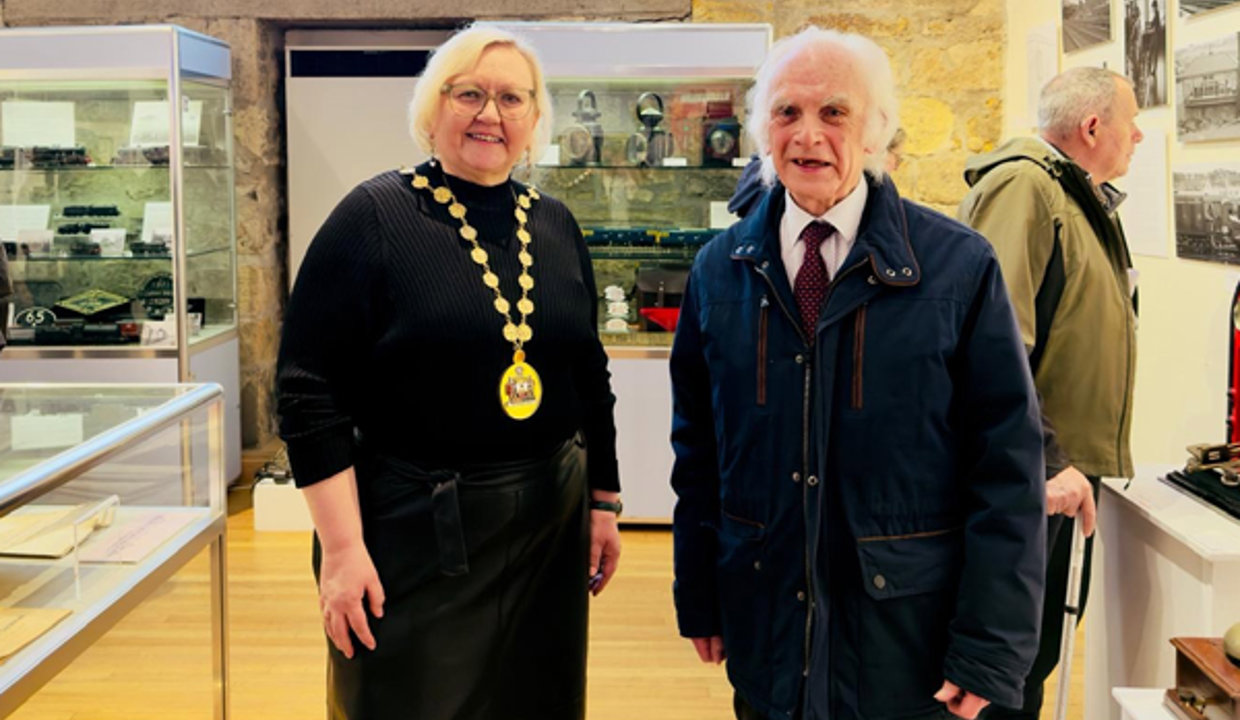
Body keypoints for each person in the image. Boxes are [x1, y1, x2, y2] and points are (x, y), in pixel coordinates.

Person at [670, 26, 1046, 720]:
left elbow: (1008, 469)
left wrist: (991, 648)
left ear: (876, 133)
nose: (807, 134)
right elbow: (698, 451)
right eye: (787, 112)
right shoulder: (717, 270)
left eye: (834, 113)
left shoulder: (959, 268)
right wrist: (699, 591)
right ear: (762, 131)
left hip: (906, 647)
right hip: (768, 635)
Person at [276, 24, 622, 720]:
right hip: (414, 529)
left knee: (538, 701)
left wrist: (605, 502)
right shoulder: (372, 216)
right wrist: (342, 551)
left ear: (534, 120)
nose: (490, 114)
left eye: (511, 98)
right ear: (432, 110)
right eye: (469, 93)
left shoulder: (554, 223)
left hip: (547, 522)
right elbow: (306, 390)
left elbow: (588, 372)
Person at [958, 66, 1142, 719]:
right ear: (1093, 126)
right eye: (1132, 120)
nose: (1140, 135)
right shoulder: (1026, 187)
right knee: (1007, 666)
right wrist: (1047, 457)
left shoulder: (1070, 193)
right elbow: (993, 339)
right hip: (1030, 476)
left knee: (1030, 660)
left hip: (1055, 479)